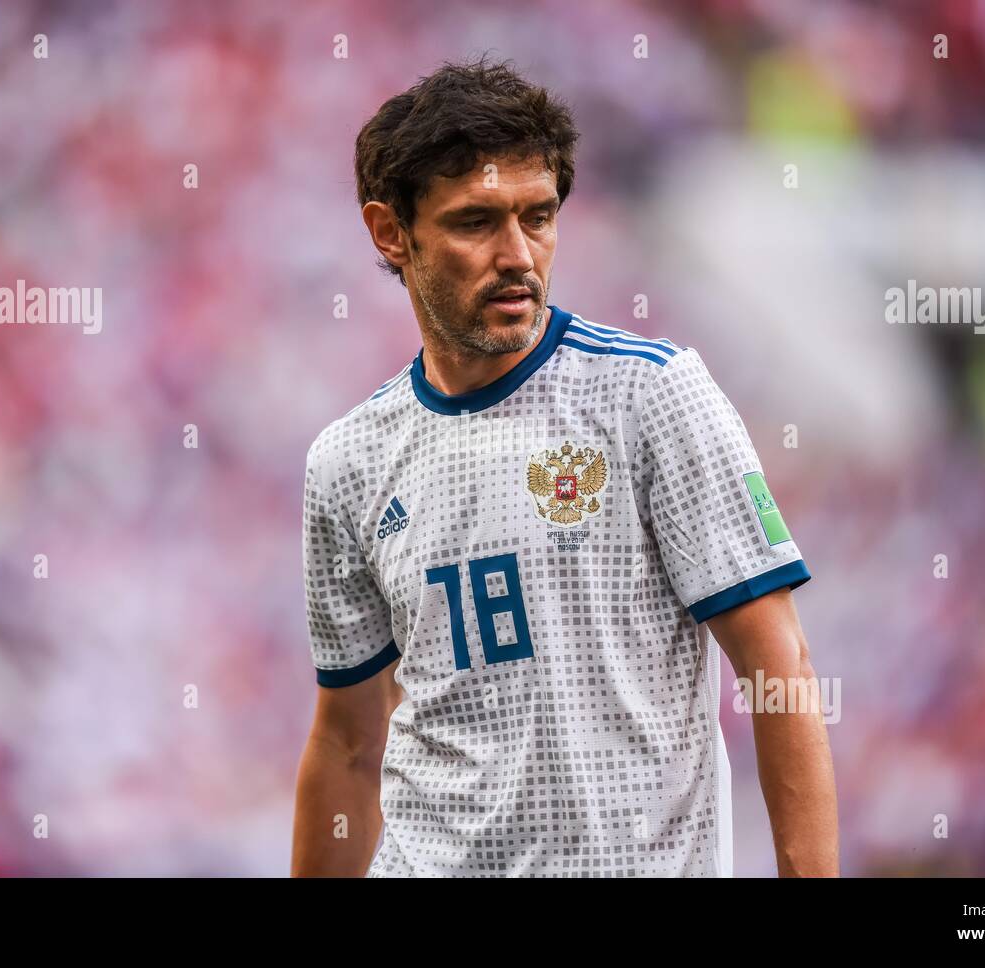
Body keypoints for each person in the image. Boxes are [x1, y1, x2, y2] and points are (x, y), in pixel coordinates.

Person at [292, 55, 837, 877]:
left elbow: (778, 667)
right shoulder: (348, 461)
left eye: (538, 216)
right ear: (390, 231)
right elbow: (347, 741)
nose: (519, 254)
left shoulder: (651, 397)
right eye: (477, 222)